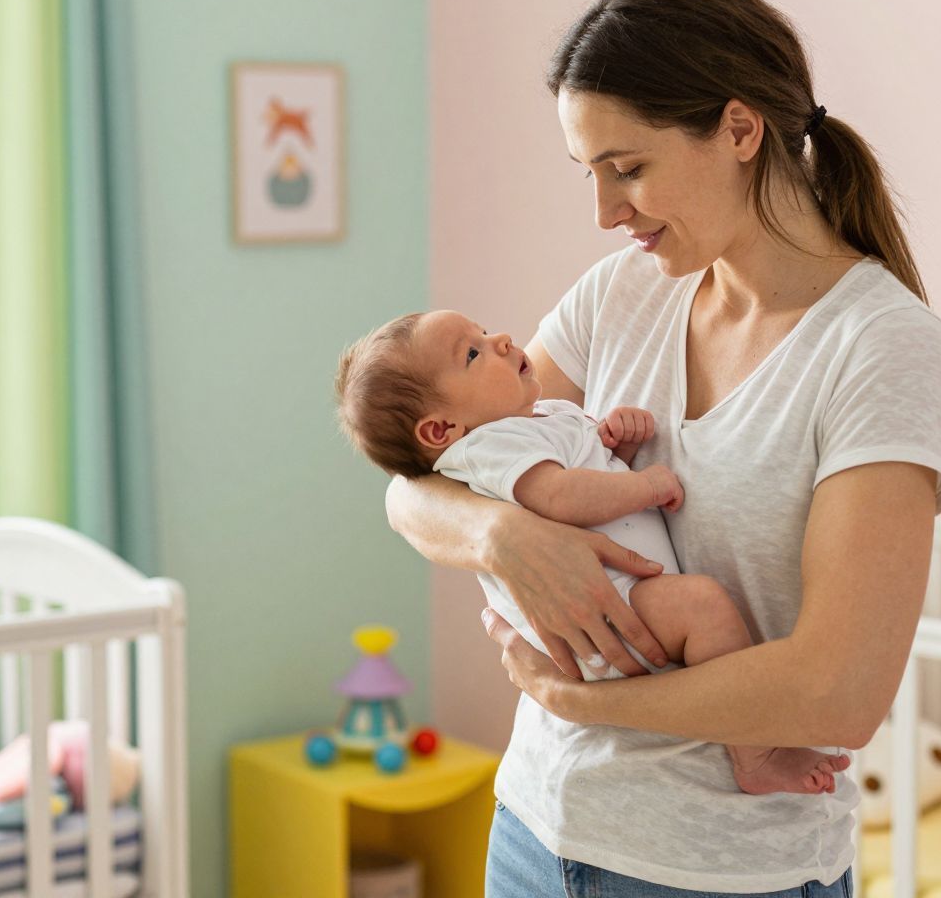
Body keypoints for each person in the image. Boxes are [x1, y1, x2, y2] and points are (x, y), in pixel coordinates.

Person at [384, 0, 941, 897]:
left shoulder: (881, 345)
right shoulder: (620, 296)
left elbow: (842, 695)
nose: (607, 213)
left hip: (716, 872)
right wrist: (509, 534)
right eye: (590, 175)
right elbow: (422, 481)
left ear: (739, 128)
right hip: (534, 827)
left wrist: (576, 699)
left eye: (629, 169)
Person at [334, 307, 851, 796]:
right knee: (704, 607)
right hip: (606, 618)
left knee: (699, 608)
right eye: (472, 354)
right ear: (441, 430)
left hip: (619, 604)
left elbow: (589, 471)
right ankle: (755, 756)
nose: (502, 341)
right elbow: (562, 497)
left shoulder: (542, 416)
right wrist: (646, 485)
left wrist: (616, 444)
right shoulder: (488, 448)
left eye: (485, 331)